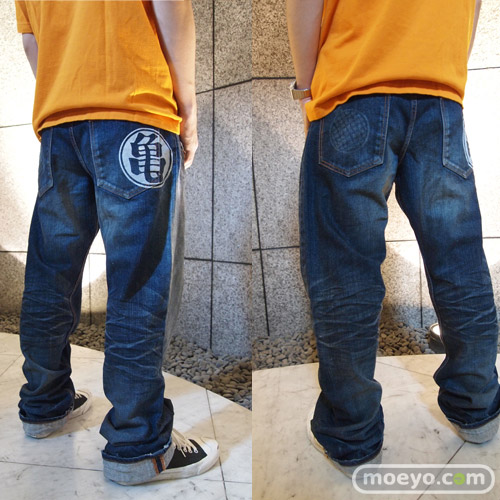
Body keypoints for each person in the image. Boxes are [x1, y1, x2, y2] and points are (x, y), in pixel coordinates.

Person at [287, 0, 500, 477]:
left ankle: (352, 433)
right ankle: (478, 407)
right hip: (440, 98)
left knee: (345, 275)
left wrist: (306, 89)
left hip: (353, 92)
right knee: (459, 261)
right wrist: (443, 76)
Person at [15, 0, 219, 486]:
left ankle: (44, 403)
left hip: (60, 124)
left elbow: (32, 41)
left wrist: (68, 93)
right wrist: (188, 108)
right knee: (137, 279)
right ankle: (138, 444)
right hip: (135, 110)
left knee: (50, 273)